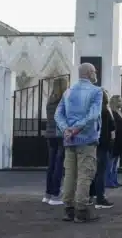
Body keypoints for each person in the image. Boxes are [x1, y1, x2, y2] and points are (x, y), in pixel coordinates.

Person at [54, 63, 102, 223]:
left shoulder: (68, 92)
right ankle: (81, 210)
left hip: (69, 140)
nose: (96, 74)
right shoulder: (96, 91)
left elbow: (58, 114)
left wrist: (66, 129)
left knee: (69, 175)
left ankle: (68, 209)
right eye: (94, 71)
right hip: (87, 139)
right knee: (85, 175)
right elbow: (93, 115)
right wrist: (77, 128)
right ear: (89, 73)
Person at [43, 76, 69, 205]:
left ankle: (48, 194)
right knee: (60, 165)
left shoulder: (50, 100)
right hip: (60, 135)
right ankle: (56, 194)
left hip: (50, 135)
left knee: (51, 165)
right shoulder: (63, 100)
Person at [89, 88, 115, 209]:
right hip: (104, 144)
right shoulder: (106, 111)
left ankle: (91, 196)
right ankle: (100, 198)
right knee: (101, 172)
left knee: (92, 171)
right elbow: (112, 129)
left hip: (93, 142)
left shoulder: (93, 110)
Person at [106, 94, 122, 188]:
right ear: (114, 102)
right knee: (111, 162)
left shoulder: (119, 112)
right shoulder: (112, 113)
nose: (121, 102)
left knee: (115, 163)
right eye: (119, 101)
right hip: (115, 141)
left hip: (120, 141)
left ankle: (114, 180)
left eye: (121, 100)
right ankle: (109, 181)